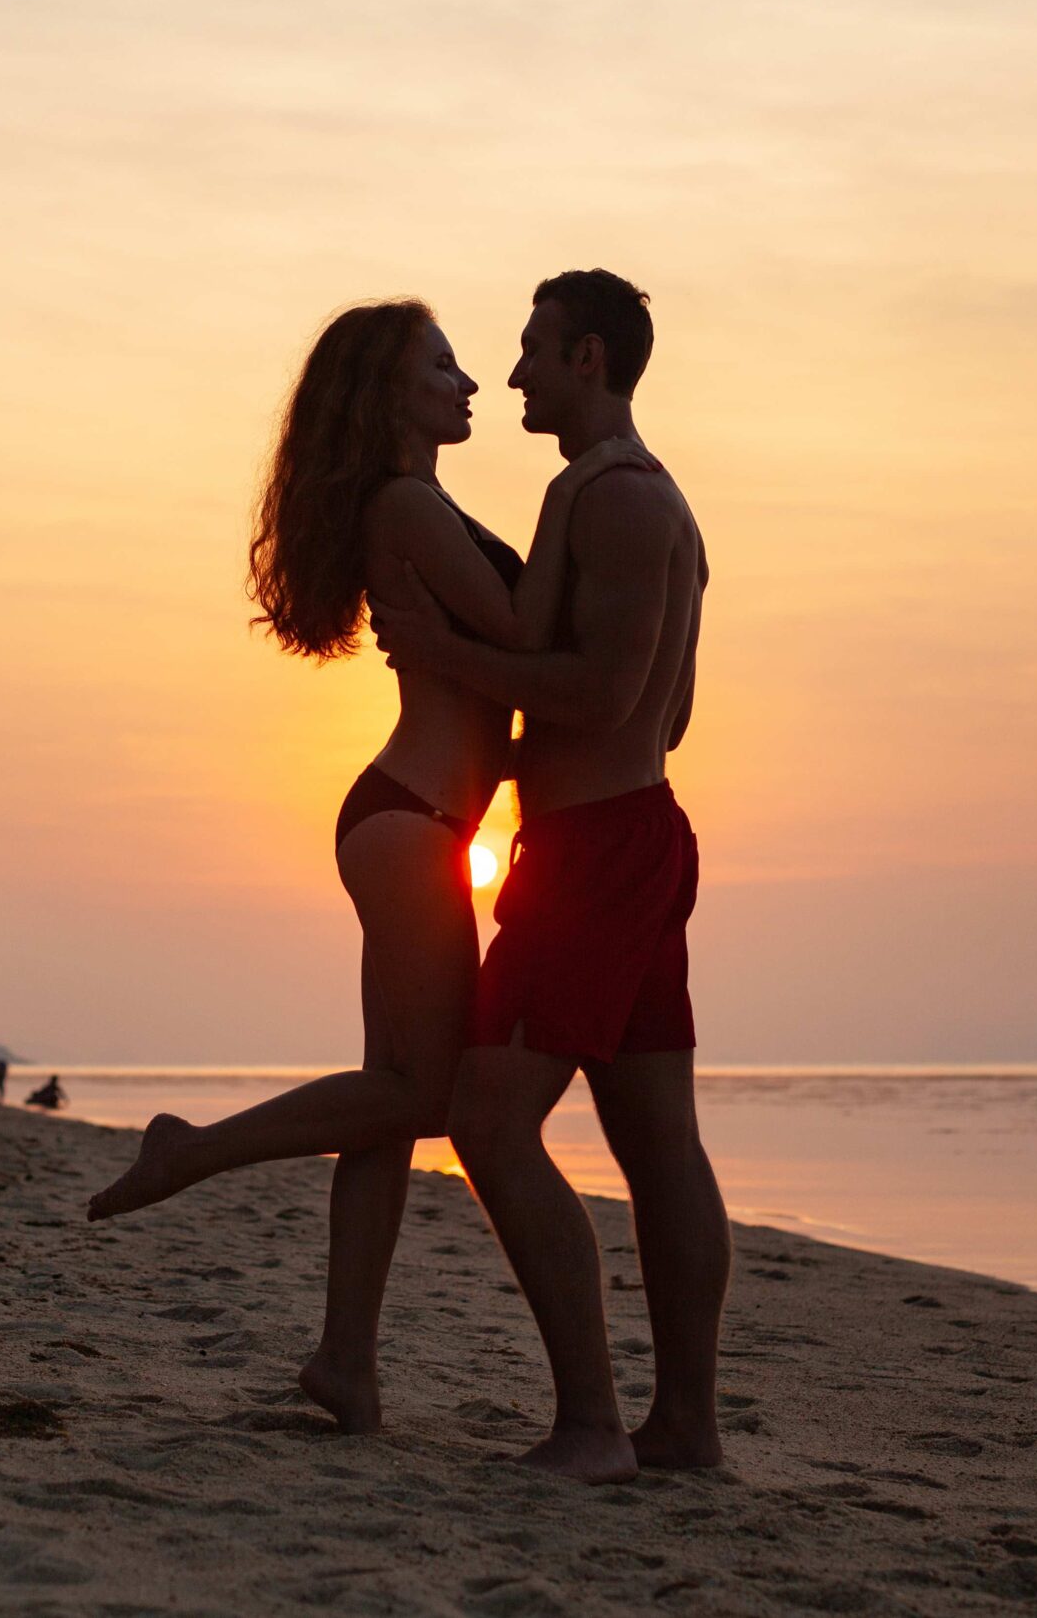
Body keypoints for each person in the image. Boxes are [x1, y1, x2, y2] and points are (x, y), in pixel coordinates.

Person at [87, 297, 644, 1433]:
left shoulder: (424, 504)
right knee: (423, 1094)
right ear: (389, 394)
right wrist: (591, 507)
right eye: (442, 366)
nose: (471, 382)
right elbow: (525, 635)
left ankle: (345, 1360)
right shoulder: (407, 505)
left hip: (409, 819)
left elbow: (502, 641)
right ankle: (193, 1150)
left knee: (388, 1103)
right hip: (414, 827)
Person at [369, 269, 721, 1485]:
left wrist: (442, 651)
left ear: (586, 358)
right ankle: (684, 1429)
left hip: (598, 859)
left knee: (483, 1114)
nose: (510, 373)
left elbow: (613, 697)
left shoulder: (617, 499)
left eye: (528, 350)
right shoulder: (622, 495)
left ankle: (592, 1427)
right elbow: (658, 720)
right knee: (655, 1141)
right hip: (625, 835)